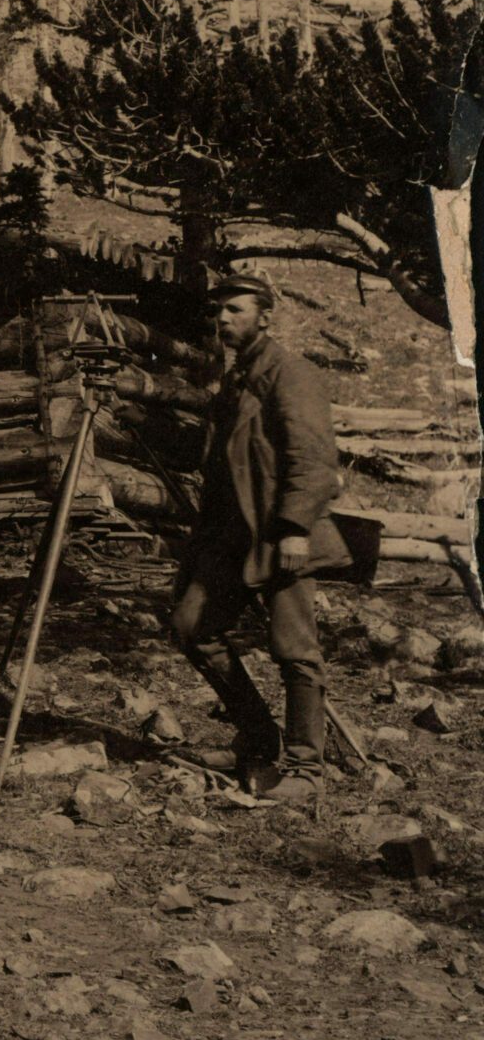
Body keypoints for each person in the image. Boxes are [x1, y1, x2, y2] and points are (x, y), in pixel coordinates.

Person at [170, 273, 349, 803]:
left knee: (294, 650)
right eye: (220, 311)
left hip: (281, 534)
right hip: (235, 535)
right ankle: (258, 737)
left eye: (237, 310)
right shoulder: (237, 378)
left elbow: (314, 461)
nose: (224, 319)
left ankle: (305, 769)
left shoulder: (289, 374)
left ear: (265, 316)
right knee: (191, 626)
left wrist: (294, 529)